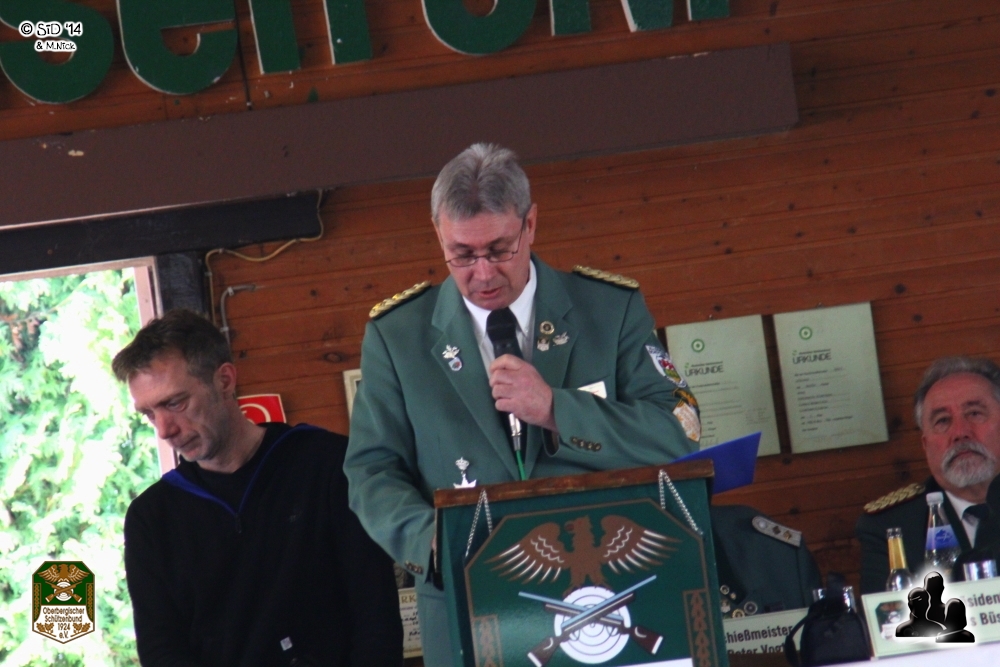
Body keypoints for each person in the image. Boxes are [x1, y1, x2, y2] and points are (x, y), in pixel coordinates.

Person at [344, 143, 701, 666]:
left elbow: (678, 430)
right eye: (462, 254)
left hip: (611, 596)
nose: (483, 274)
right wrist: (433, 543)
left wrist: (557, 410)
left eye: (499, 249)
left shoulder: (610, 309)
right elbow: (371, 471)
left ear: (530, 224)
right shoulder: (397, 336)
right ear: (438, 234)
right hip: (467, 601)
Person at [114, 309, 402, 667]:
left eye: (175, 403)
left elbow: (376, 618)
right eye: (148, 413)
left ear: (224, 380)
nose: (164, 429)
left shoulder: (328, 465)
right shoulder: (152, 518)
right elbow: (162, 652)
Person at [856, 356, 1000, 593]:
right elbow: (887, 613)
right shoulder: (891, 526)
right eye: (943, 421)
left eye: (974, 413)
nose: (960, 433)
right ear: (925, 445)